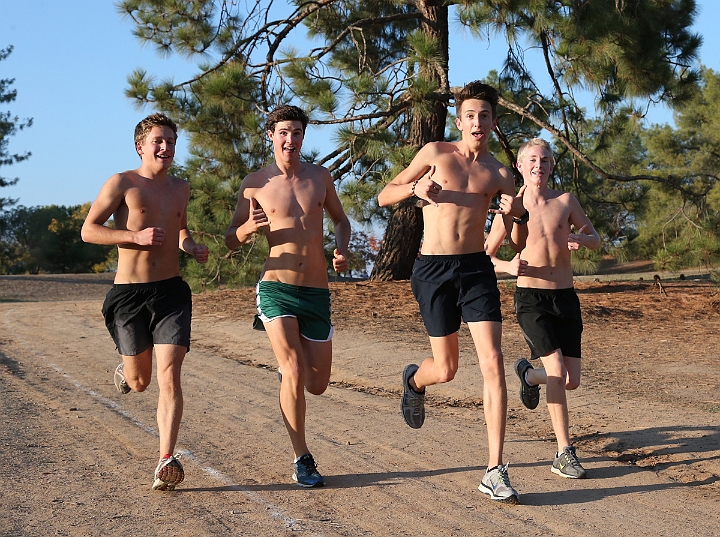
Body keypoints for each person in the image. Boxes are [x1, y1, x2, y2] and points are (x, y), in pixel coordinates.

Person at [377, 81, 526, 504]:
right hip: (432, 270)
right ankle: (414, 380)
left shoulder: (500, 174)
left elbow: (518, 238)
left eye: (485, 116)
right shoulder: (435, 154)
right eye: (470, 115)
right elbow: (384, 194)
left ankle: (495, 469)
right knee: (445, 369)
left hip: (476, 269)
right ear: (459, 121)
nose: (478, 122)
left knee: (493, 362)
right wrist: (414, 190)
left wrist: (518, 213)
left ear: (494, 123)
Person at [81, 113, 209, 491]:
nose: (165, 147)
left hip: (170, 292)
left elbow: (180, 229)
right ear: (141, 146)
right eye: (158, 141)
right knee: (140, 382)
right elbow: (89, 230)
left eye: (170, 141)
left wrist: (191, 246)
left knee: (170, 374)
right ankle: (126, 370)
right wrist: (134, 238)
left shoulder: (181, 188)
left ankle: (166, 458)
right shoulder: (122, 182)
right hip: (129, 295)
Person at [225, 104, 350, 488]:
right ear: (271, 136)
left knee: (317, 384)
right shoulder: (255, 183)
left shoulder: (321, 177)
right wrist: (246, 229)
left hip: (316, 289)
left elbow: (341, 220)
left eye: (296, 132)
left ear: (302, 136)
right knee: (293, 370)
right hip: (275, 287)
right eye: (283, 132)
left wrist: (341, 249)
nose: (290, 139)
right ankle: (302, 457)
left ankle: (289, 376)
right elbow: (230, 239)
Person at [486, 137, 601, 479]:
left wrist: (582, 239)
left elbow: (594, 237)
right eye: (533, 159)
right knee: (558, 371)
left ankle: (528, 375)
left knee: (571, 380)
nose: (540, 165)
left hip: (565, 298)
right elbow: (485, 257)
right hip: (532, 300)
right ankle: (564, 453)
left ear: (552, 166)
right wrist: (507, 267)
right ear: (520, 166)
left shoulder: (565, 201)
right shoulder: (512, 209)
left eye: (546, 160)